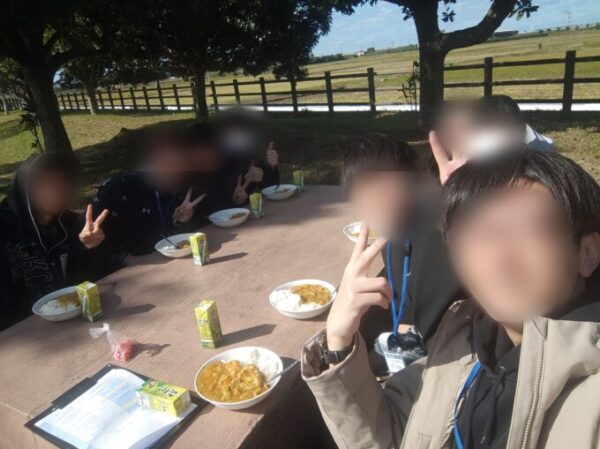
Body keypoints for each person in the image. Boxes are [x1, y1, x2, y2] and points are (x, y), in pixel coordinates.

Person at [301, 150, 600, 449]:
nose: (498, 258)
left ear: (587, 252)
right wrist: (339, 343)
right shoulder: (463, 343)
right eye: (477, 236)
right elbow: (393, 436)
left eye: (527, 231)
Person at [339, 134, 464, 368]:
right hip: (413, 350)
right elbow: (404, 300)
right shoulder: (394, 234)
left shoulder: (442, 232)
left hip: (449, 362)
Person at [0, 154, 113, 330]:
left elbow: (87, 281)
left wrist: (87, 247)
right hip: (20, 334)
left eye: (61, 183)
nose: (55, 190)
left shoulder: (72, 225)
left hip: (75, 323)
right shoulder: (5, 228)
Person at [92, 128, 204, 256]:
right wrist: (125, 259)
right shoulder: (118, 187)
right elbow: (90, 238)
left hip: (169, 258)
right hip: (132, 263)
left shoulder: (178, 188)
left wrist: (181, 221)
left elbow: (175, 234)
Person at [214, 108, 280, 206]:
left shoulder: (249, 153)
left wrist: (272, 167)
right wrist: (233, 196)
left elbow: (271, 188)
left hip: (244, 211)